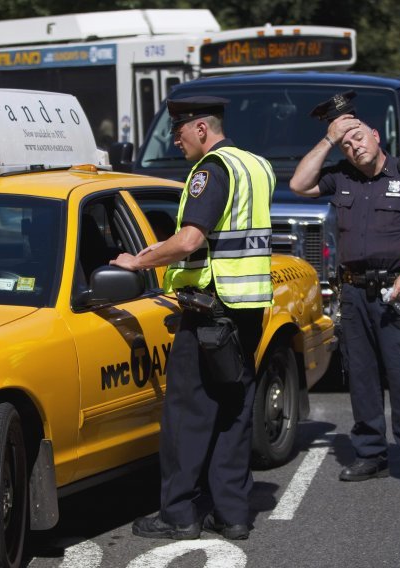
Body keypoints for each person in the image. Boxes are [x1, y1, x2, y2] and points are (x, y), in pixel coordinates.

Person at [111, 95, 276, 541]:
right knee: (234, 412)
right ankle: (234, 514)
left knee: (188, 414)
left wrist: (137, 261)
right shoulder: (258, 166)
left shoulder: (212, 170)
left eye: (178, 131)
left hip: (209, 310)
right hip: (247, 309)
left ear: (201, 128)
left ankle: (179, 515)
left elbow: (188, 241)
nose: (174, 139)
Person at [289, 99, 400, 490]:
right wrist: (329, 139)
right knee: (360, 376)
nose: (354, 146)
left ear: (376, 136)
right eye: (346, 143)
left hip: (398, 291)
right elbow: (298, 184)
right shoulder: (342, 177)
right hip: (354, 292)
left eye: (358, 137)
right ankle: (370, 453)